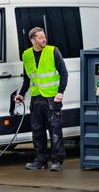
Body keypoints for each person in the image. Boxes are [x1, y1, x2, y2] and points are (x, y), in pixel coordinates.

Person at [14, 27, 68, 171]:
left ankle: (57, 161)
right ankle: (41, 161)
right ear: (33, 40)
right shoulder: (26, 55)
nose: (44, 40)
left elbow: (64, 73)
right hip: (36, 98)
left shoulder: (53, 51)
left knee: (55, 131)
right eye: (40, 37)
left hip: (52, 98)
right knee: (37, 131)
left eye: (44, 37)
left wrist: (60, 92)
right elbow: (27, 78)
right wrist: (22, 94)